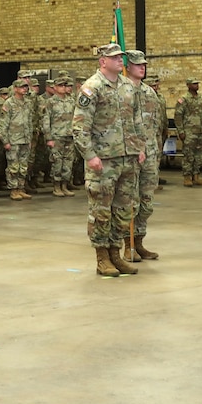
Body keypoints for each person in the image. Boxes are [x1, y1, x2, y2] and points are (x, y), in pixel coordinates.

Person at [72, 43, 144, 277]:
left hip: (127, 157)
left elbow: (136, 120)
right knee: (101, 210)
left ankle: (116, 254)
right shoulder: (92, 88)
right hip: (103, 160)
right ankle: (101, 257)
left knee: (123, 209)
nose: (119, 61)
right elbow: (80, 126)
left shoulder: (127, 86)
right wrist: (90, 155)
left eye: (121, 57)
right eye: (114, 58)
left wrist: (139, 147)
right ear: (102, 61)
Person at [125, 50, 161, 262]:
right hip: (130, 153)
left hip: (149, 153)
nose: (142, 67)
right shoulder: (121, 90)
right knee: (129, 201)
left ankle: (139, 242)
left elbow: (154, 123)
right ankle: (127, 245)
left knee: (146, 201)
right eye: (137, 64)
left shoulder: (149, 92)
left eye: (144, 64)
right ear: (127, 66)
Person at [42, 74, 76, 198]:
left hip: (69, 135)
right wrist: (48, 137)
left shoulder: (71, 100)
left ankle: (65, 185)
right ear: (55, 87)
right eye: (60, 85)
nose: (63, 88)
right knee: (57, 161)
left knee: (68, 161)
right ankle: (56, 186)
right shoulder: (50, 102)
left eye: (64, 85)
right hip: (56, 136)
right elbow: (46, 120)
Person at [174, 77, 202, 187]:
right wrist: (181, 131)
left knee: (198, 156)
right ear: (188, 85)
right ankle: (187, 177)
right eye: (194, 84)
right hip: (189, 132)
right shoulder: (184, 99)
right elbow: (178, 116)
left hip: (200, 131)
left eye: (197, 83)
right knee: (188, 155)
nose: (196, 86)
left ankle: (196, 177)